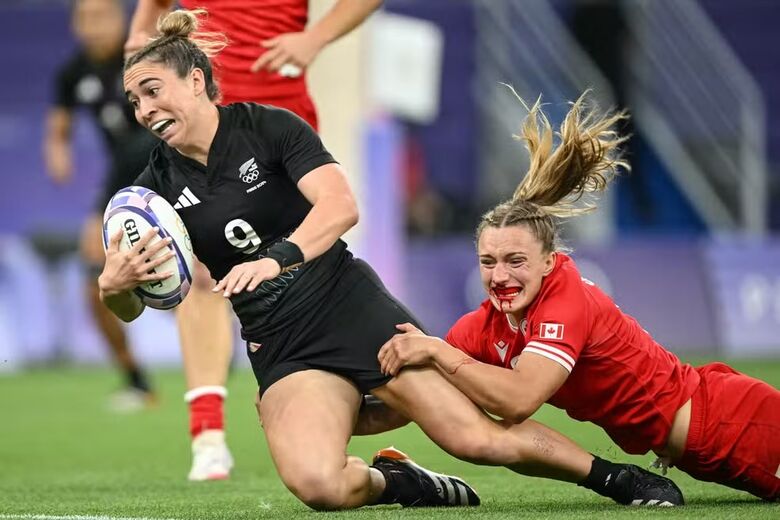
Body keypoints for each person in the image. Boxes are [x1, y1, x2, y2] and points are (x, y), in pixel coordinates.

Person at [100, 9, 685, 510]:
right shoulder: (151, 192)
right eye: (134, 100)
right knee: (318, 486)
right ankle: (401, 481)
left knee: (474, 438)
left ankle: (614, 478)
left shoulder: (269, 127)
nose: (143, 109)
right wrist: (116, 287)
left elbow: (340, 206)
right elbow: (142, 305)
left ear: (196, 80)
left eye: (153, 90)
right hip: (279, 343)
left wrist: (277, 259)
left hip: (349, 309)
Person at [377, 92, 780, 502]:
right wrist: (352, 395)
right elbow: (420, 398)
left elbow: (519, 400)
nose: (499, 277)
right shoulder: (480, 328)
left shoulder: (565, 297)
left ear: (549, 262)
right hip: (701, 448)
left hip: (731, 421)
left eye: (515, 261)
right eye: (488, 262)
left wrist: (437, 350)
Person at [124, 0, 383, 480]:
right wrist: (140, 39)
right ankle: (208, 435)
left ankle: (343, 401)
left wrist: (317, 37)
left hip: (275, 107)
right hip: (192, 114)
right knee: (203, 275)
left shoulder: (277, 126)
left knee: (304, 259)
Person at [43, 0, 158, 412]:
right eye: (84, 18)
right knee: (94, 285)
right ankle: (136, 380)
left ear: (120, 17)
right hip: (122, 184)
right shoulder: (73, 73)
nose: (92, 26)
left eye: (100, 16)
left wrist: (101, 212)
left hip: (166, 173)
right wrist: (58, 150)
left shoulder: (142, 58)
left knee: (193, 276)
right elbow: (59, 127)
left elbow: (149, 138)